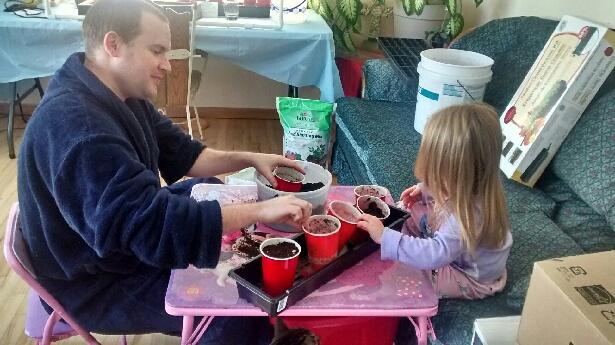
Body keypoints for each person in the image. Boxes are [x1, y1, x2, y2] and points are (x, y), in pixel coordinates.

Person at [16, 0, 312, 343]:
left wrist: (252, 158)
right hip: (94, 281)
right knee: (239, 304)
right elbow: (153, 226)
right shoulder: (78, 129)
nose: (167, 66)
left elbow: (186, 155)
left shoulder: (121, 93)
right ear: (113, 45)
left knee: (210, 187)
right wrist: (261, 210)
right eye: (156, 51)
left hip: (119, 238)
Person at [356, 103, 512, 300]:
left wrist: (385, 238)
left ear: (455, 173)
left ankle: (399, 243)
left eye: (435, 171)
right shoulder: (469, 185)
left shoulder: (464, 216)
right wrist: (424, 190)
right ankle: (403, 241)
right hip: (457, 247)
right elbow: (444, 188)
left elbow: (435, 255)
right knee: (413, 209)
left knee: (407, 273)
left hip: (469, 277)